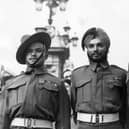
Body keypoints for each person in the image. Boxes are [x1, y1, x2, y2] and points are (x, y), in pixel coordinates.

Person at [0, 32, 71, 129]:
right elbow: (3, 119)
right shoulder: (10, 84)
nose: (33, 54)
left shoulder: (57, 84)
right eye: (29, 51)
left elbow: (63, 122)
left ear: (45, 55)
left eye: (38, 50)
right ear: (24, 55)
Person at [71, 27, 128, 129]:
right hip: (84, 126)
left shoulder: (121, 74)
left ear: (107, 47)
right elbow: (73, 104)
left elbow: (126, 107)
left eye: (100, 45)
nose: (95, 49)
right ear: (86, 49)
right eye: (91, 46)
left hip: (113, 126)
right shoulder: (77, 74)